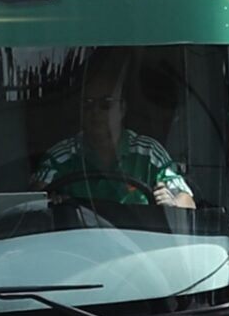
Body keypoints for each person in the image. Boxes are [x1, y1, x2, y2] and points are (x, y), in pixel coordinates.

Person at [32, 50, 195, 211]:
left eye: (105, 104)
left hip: (136, 230)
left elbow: (187, 201)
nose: (96, 112)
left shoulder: (149, 153)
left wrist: (172, 203)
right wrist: (48, 201)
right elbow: (33, 199)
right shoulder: (60, 156)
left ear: (122, 109)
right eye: (88, 104)